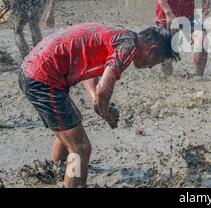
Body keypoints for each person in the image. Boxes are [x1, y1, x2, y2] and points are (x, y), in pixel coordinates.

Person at [18, 23, 179, 188]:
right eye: (156, 61)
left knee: (73, 123)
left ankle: (56, 170)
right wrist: (105, 112)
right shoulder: (127, 47)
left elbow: (92, 76)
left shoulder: (122, 36)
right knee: (81, 148)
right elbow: (103, 91)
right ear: (151, 50)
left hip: (38, 71)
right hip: (42, 78)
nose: (151, 66)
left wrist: (98, 101)